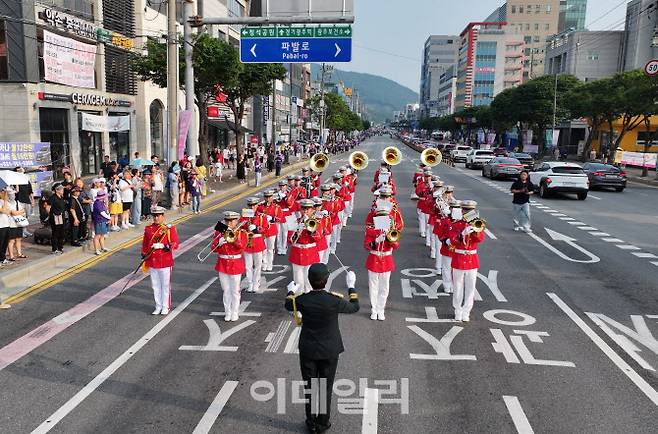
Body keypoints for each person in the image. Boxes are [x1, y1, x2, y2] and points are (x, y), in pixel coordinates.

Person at [284, 264, 359, 433]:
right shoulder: (334, 300)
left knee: (309, 387)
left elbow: (288, 305)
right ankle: (322, 422)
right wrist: (351, 286)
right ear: (326, 281)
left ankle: (310, 422)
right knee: (325, 387)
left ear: (309, 281)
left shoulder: (302, 299)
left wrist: (290, 291)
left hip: (308, 350)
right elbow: (355, 307)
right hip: (329, 350)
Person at [449, 200, 485, 322]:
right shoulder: (456, 224)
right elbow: (452, 240)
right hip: (459, 258)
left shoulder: (477, 224)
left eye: (471, 211)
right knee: (458, 286)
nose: (469, 213)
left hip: (471, 259)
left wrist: (475, 230)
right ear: (462, 211)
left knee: (470, 288)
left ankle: (466, 311)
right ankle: (457, 310)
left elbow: (480, 239)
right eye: (467, 210)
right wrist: (462, 234)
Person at [141, 206, 180, 315]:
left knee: (165, 286)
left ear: (163, 216)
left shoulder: (169, 228)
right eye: (154, 216)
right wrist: (144, 254)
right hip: (153, 261)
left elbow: (175, 243)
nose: (156, 218)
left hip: (165, 261)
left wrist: (163, 245)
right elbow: (145, 244)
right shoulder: (148, 229)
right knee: (155, 286)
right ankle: (158, 306)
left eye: (158, 216)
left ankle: (165, 306)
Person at [364, 207, 400, 321]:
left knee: (384, 287)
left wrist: (389, 238)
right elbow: (366, 246)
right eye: (381, 217)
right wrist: (376, 240)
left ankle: (381, 309)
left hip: (386, 259)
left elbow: (396, 246)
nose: (383, 219)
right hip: (374, 258)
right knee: (373, 286)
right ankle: (374, 310)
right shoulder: (371, 231)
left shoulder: (391, 230)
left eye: (385, 217)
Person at [212, 211, 247, 321]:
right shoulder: (219, 232)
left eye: (232, 220)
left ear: (236, 221)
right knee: (226, 290)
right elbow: (213, 248)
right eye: (227, 220)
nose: (229, 223)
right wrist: (219, 242)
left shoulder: (241, 232)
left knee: (235, 290)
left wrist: (232, 238)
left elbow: (241, 247)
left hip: (235, 263)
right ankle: (228, 312)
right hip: (223, 263)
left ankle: (235, 311)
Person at [289, 199, 322, 293]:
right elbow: (290, 240)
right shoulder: (295, 221)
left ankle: (309, 300)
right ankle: (299, 300)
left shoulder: (316, 222)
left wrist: (310, 228)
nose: (305, 211)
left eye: (308, 209)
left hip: (310, 252)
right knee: (298, 280)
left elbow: (318, 238)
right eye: (303, 209)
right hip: (297, 252)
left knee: (309, 280)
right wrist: (297, 229)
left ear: (312, 210)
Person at [241, 197, 269, 292]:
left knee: (258, 265)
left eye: (254, 205)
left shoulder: (261, 216)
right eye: (250, 205)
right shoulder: (244, 216)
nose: (252, 207)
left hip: (257, 241)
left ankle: (256, 283)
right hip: (247, 241)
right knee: (248, 266)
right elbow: (240, 228)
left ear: (257, 205)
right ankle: (250, 283)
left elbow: (265, 229)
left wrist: (256, 228)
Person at [259, 190, 284, 271]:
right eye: (266, 197)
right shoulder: (260, 206)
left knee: (270, 248)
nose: (268, 198)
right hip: (262, 229)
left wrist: (272, 218)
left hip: (271, 229)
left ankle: (270, 263)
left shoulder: (276, 207)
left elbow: (280, 218)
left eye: (269, 197)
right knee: (263, 248)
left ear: (272, 197)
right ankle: (264, 263)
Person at [5, 187, 26, 261]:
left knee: (18, 239)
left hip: (18, 223)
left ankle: (19, 253)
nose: (12, 196)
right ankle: (11, 255)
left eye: (13, 194)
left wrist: (17, 212)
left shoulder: (17, 202)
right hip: (11, 224)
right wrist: (18, 212)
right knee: (11, 240)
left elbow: (23, 211)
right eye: (10, 194)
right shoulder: (6, 203)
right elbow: (13, 212)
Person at [46, 183, 67, 254]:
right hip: (55, 218)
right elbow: (47, 207)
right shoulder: (53, 198)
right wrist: (52, 215)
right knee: (55, 233)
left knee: (62, 233)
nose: (63, 190)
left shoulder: (61, 197)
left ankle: (60, 247)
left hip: (62, 217)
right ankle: (54, 249)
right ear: (57, 190)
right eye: (61, 189)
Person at [14, 166, 34, 237]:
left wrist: (32, 200)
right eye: (18, 170)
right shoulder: (15, 181)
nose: (20, 170)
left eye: (21, 169)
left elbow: (30, 191)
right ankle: (21, 232)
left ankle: (25, 230)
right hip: (20, 200)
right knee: (21, 216)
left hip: (27, 200)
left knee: (27, 216)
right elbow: (16, 191)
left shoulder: (26, 180)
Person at [92, 190, 111, 255]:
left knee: (102, 235)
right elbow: (102, 213)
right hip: (99, 221)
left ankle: (103, 247)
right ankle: (96, 250)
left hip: (102, 220)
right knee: (97, 236)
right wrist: (109, 218)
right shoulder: (97, 203)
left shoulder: (101, 202)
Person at [0, 189, 11, 266]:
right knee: (0, 243)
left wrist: (5, 201)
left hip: (7, 224)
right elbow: (3, 210)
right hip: (1, 226)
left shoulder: (4, 201)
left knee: (5, 243)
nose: (5, 193)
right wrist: (4, 202)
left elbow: (9, 211)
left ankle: (3, 259)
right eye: (3, 192)